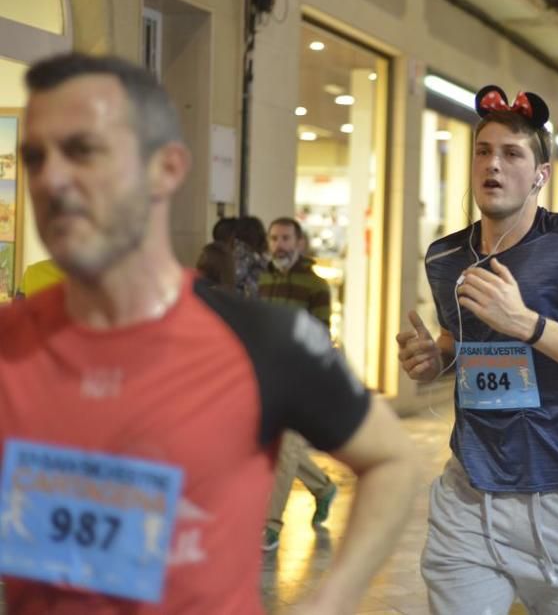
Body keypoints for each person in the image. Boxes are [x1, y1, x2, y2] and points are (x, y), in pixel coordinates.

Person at [0, 52, 418, 613]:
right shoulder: (12, 342)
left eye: (83, 150)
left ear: (166, 168)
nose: (51, 178)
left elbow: (394, 460)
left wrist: (332, 601)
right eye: (35, 157)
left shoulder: (263, 339)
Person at [397, 85, 558, 614]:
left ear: (540, 175)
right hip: (470, 492)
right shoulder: (445, 257)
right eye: (483, 151)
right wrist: (436, 359)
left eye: (512, 154)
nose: (494, 165)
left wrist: (528, 324)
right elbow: (460, 342)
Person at [259, 216, 340, 551]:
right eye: (275, 238)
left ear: (300, 243)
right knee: (279, 445)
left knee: (287, 448)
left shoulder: (316, 285)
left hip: (302, 376)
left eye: (286, 238)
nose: (280, 244)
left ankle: (271, 524)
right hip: (268, 374)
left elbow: (321, 334)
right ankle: (322, 487)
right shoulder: (261, 280)